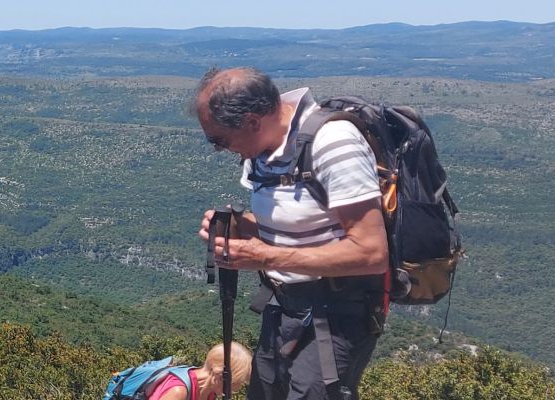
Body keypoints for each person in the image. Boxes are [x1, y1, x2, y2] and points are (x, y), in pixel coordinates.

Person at [191, 67, 390, 400]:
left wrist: (265, 256)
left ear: (252, 121)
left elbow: (371, 253)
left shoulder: (333, 142)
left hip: (335, 314)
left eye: (219, 139)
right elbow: (294, 223)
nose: (220, 149)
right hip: (282, 309)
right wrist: (239, 227)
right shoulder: (263, 153)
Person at [153, 343, 254, 400]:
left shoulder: (209, 392)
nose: (238, 388)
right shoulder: (178, 392)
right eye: (236, 383)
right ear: (218, 376)